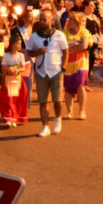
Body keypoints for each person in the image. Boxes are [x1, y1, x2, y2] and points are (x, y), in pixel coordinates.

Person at [26, 9, 68, 137]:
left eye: (45, 19)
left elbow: (66, 52)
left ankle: (57, 118)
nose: (42, 22)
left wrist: (64, 67)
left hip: (56, 71)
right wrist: (38, 52)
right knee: (43, 101)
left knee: (57, 100)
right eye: (41, 19)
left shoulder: (59, 35)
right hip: (41, 72)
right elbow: (29, 52)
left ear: (52, 20)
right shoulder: (34, 36)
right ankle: (45, 127)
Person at [62, 11, 93, 119]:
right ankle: (69, 112)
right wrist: (76, 44)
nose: (68, 21)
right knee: (68, 88)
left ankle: (82, 111)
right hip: (68, 63)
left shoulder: (84, 31)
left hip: (81, 63)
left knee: (80, 86)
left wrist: (71, 46)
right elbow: (62, 45)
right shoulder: (64, 32)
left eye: (71, 19)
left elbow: (84, 46)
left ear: (77, 21)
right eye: (68, 19)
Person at [0, 34, 30, 128]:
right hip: (8, 79)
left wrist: (17, 70)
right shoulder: (6, 56)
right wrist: (9, 70)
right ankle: (8, 118)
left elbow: (23, 68)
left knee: (16, 100)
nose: (19, 46)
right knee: (8, 99)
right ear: (12, 45)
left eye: (20, 44)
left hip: (18, 80)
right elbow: (3, 68)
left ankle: (14, 118)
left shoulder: (21, 55)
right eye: (17, 43)